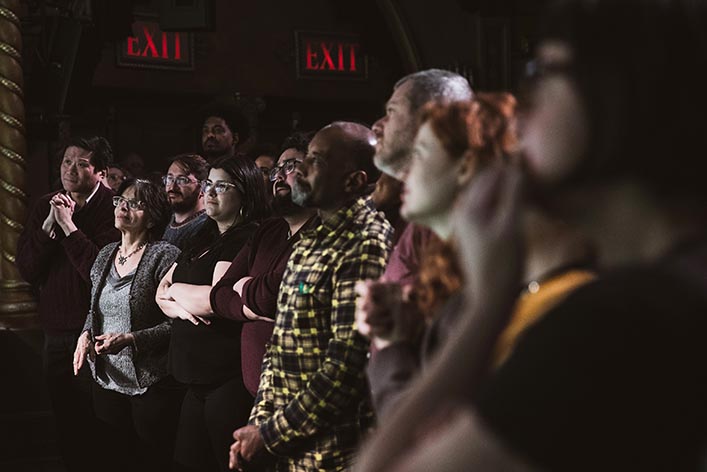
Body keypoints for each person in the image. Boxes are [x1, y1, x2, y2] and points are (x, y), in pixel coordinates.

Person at [357, 0, 707, 470]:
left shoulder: (618, 319)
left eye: (542, 72)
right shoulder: (672, 281)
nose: (522, 110)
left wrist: (485, 307)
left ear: (616, 91)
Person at [359, 95, 595, 419]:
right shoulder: (466, 278)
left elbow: (427, 443)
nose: (406, 170)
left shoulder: (518, 298)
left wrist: (392, 348)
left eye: (420, 153)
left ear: (467, 166)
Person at [229, 122, 393, 471]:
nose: (299, 169)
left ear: (354, 182)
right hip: (288, 445)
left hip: (335, 452)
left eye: (316, 160)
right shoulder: (312, 237)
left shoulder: (364, 243)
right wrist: (259, 422)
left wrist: (270, 434)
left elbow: (347, 366)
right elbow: (279, 344)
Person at [157, 156, 269, 472]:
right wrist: (180, 300)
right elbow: (160, 292)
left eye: (222, 186)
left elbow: (213, 301)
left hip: (224, 376)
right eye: (209, 184)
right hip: (194, 378)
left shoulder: (245, 236)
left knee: (228, 464)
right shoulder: (204, 234)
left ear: (245, 193)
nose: (210, 192)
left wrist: (177, 294)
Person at [16, 136, 119, 472]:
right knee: (64, 419)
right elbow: (28, 268)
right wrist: (49, 227)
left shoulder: (112, 207)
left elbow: (98, 271)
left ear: (101, 172)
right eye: (66, 162)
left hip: (96, 329)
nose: (70, 170)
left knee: (97, 419)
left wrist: (68, 226)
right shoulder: (48, 203)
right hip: (55, 329)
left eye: (81, 163)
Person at [72, 179, 182, 472]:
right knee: (111, 458)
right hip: (106, 378)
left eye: (135, 203)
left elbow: (176, 323)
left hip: (149, 382)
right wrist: (85, 333)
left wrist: (131, 338)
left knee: (149, 461)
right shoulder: (106, 253)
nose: (123, 206)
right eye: (121, 199)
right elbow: (95, 308)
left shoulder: (164, 255)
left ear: (153, 216)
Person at [210, 133, 317, 399]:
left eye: (290, 166)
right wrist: (255, 307)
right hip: (258, 395)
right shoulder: (267, 231)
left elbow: (278, 295)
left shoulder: (324, 232)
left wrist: (244, 285)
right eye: (277, 169)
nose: (280, 175)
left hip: (302, 395)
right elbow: (219, 295)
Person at [162, 153, 209, 250]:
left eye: (182, 180)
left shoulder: (206, 228)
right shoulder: (164, 220)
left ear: (202, 186)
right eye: (170, 179)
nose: (172, 186)